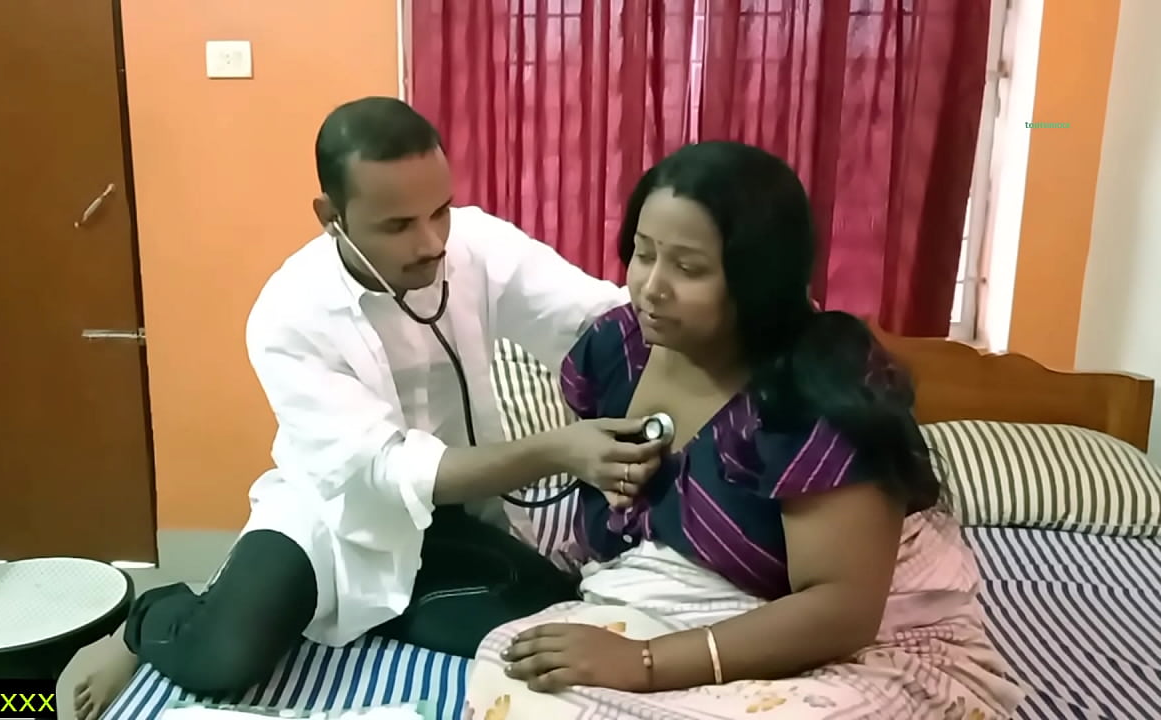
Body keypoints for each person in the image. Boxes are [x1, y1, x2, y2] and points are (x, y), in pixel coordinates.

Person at [73, 97, 668, 720]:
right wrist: (558, 450)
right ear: (331, 217)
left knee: (548, 628)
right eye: (397, 225)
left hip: (450, 520)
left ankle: (392, 610)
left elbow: (596, 320)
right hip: (328, 521)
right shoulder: (288, 316)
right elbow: (387, 471)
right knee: (223, 660)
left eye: (439, 211)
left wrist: (684, 319)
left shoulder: (477, 246)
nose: (432, 242)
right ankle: (144, 623)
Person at [463, 141, 1025, 719]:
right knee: (517, 670)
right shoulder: (619, 349)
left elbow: (842, 611)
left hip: (835, 636)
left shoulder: (822, 389)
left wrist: (647, 662)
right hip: (663, 610)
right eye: (643, 253)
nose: (652, 287)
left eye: (688, 268)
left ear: (759, 279)